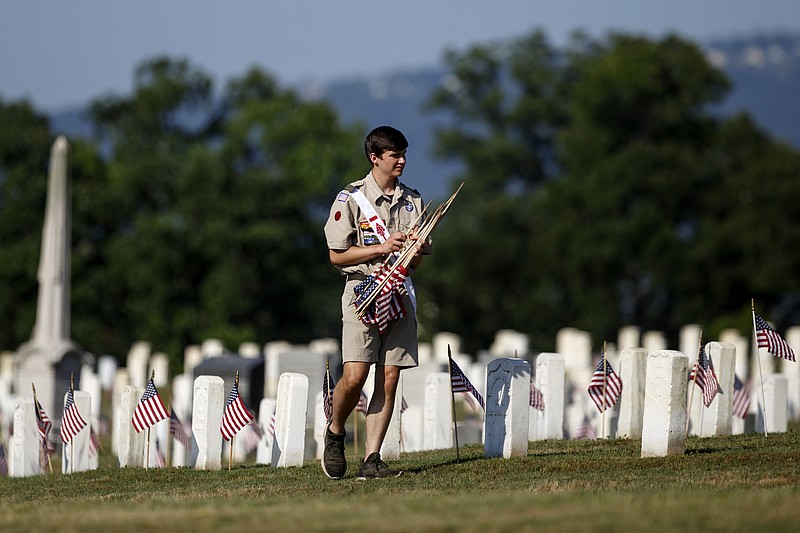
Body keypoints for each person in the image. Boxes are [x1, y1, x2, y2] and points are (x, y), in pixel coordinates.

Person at [322, 125, 431, 479]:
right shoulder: (351, 199)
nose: (401, 161)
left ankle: (372, 458)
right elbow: (337, 256)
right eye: (394, 155)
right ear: (375, 158)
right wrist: (381, 248)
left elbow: (413, 263)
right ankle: (336, 431)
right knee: (355, 376)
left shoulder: (412, 200)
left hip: (399, 295)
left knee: (389, 377)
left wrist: (418, 249)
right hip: (362, 295)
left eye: (403, 154)